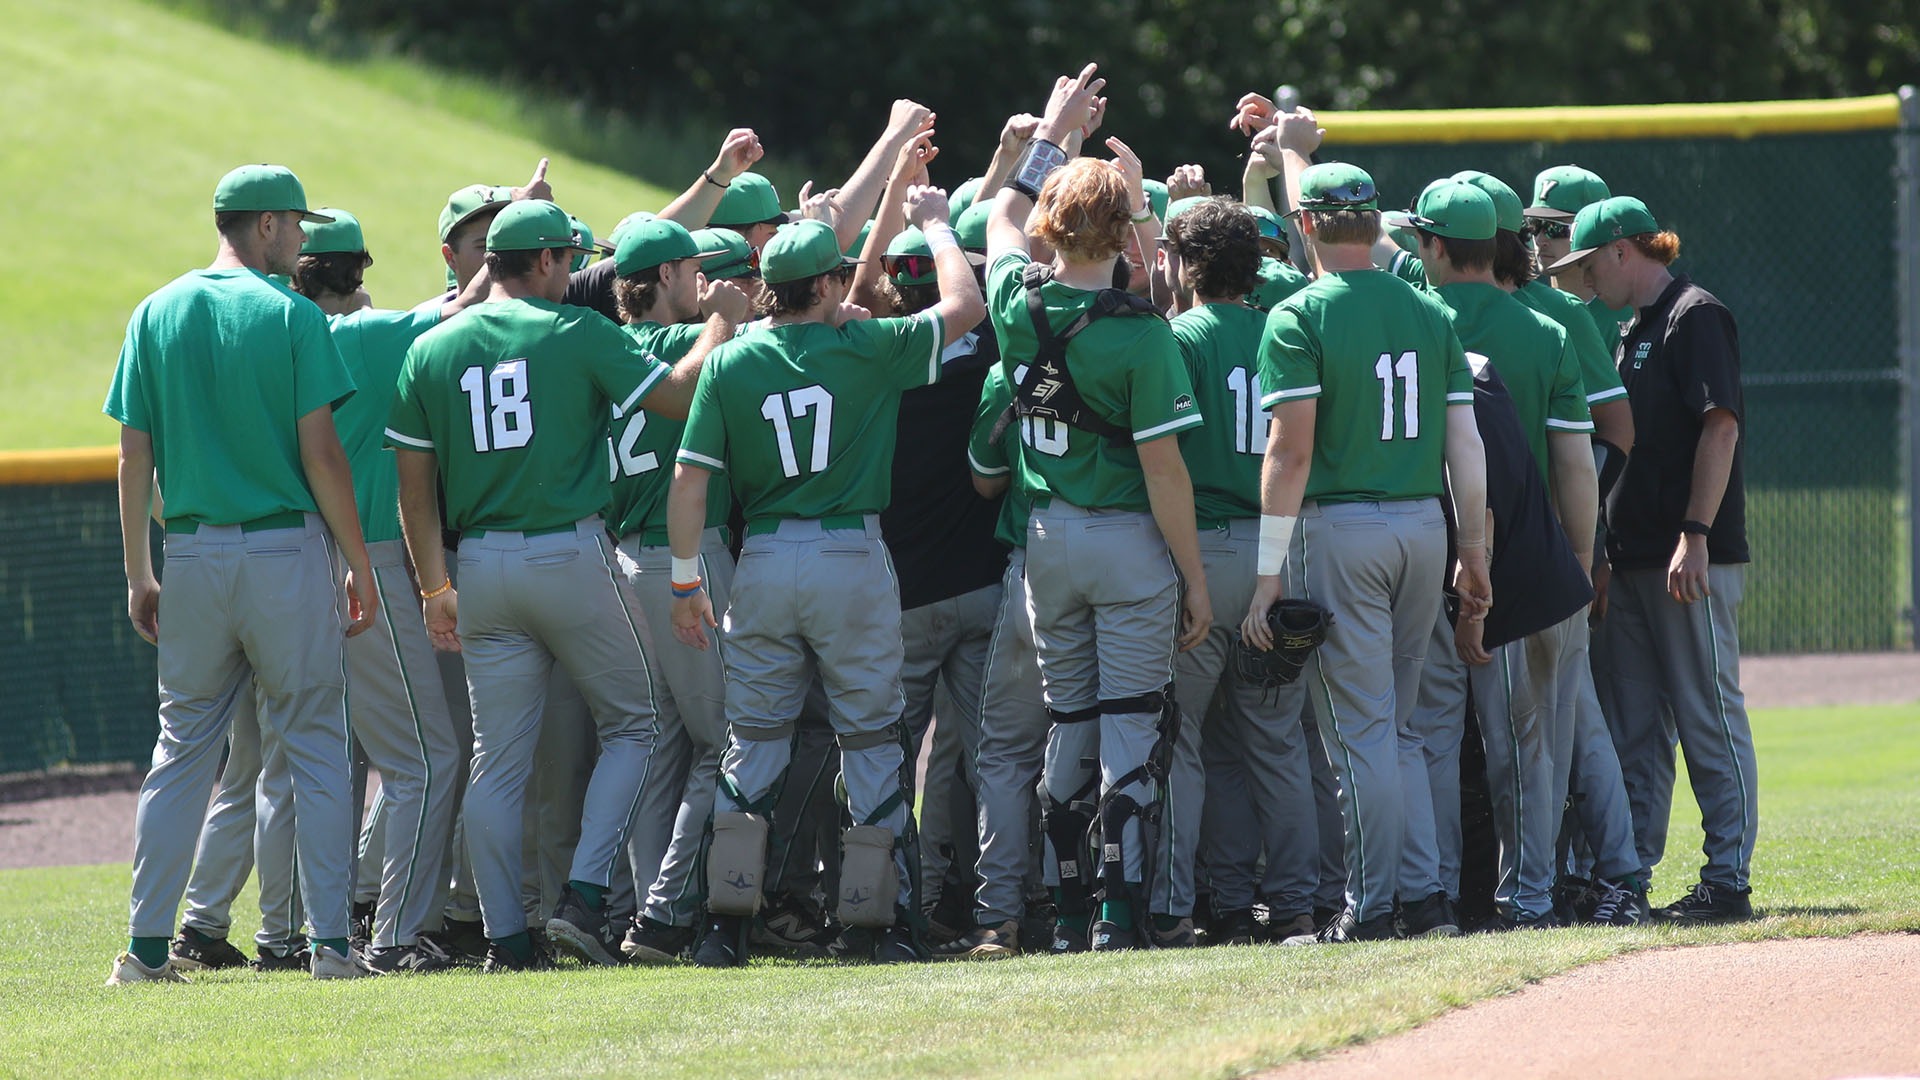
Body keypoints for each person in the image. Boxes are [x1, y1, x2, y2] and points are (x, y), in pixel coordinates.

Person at [669, 192, 986, 966]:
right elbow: (967, 304)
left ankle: (726, 924)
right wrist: (938, 223)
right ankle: (879, 924)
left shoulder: (734, 357)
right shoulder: (868, 345)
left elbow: (689, 478)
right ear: (828, 284)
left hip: (767, 560)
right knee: (873, 741)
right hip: (851, 552)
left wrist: (685, 582)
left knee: (757, 745)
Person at [384, 199, 702, 972]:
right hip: (569, 551)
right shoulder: (577, 333)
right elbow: (681, 399)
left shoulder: (432, 347)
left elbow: (414, 494)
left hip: (479, 565)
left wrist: (433, 589)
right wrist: (722, 327)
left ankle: (506, 938)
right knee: (639, 723)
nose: (574, 270)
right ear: (551, 261)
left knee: (498, 759)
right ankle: (585, 897)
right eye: (569, 257)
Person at [105, 165, 376, 984]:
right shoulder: (292, 314)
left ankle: (146, 951)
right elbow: (322, 454)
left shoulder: (155, 311)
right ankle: (331, 947)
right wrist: (359, 564)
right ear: (262, 225)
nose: (300, 240)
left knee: (182, 749)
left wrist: (136, 571)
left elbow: (132, 456)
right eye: (294, 224)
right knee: (319, 748)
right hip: (282, 555)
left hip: (188, 553)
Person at [1230, 96, 1491, 944]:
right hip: (1425, 526)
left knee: (1360, 733)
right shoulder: (1431, 310)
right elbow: (1466, 445)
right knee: (1401, 725)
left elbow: (1290, 456)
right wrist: (1473, 550)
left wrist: (1267, 574)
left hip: (1341, 532)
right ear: (1377, 223)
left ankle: (1374, 907)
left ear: (1304, 224)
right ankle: (1422, 898)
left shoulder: (1299, 313)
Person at [986, 64, 1212, 953]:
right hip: (1124, 543)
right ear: (1123, 230)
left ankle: (1067, 908)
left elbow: (1004, 216)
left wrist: (1052, 130)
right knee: (1131, 727)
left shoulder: (1015, 301)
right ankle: (1118, 914)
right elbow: (1165, 474)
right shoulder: (1141, 332)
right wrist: (1194, 578)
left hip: (1047, 543)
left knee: (1068, 730)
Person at [1388, 179, 1600, 929]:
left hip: (1429, 553)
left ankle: (1441, 893)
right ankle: (1531, 894)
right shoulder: (1547, 330)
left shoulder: (1416, 319)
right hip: (1531, 555)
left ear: (1435, 246)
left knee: (1431, 737)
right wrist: (1577, 561)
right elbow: (1578, 465)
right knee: (1532, 746)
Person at [1548, 196, 1758, 923]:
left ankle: (1728, 880)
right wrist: (1603, 551)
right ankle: (1629, 881)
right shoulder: (1628, 328)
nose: (1581, 279)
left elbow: (1721, 428)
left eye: (1585, 263)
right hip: (1633, 558)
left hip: (1688, 556)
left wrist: (1696, 531)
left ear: (1620, 251)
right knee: (1635, 728)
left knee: (1707, 716)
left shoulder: (1693, 313)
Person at [1156, 197, 1322, 946]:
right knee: (1273, 738)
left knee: (1188, 737)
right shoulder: (1281, 326)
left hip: (1203, 551)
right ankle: (1289, 902)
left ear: (1186, 265)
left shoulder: (1179, 337)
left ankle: (1191, 902)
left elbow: (1167, 467)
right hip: (1278, 551)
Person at [599, 218, 752, 962]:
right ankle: (663, 916)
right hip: (681, 563)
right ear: (662, 278)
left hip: (621, 557)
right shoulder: (683, 346)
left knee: (657, 741)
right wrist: (728, 317)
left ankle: (641, 910)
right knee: (722, 742)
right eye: (691, 271)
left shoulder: (604, 350)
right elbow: (695, 383)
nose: (701, 282)